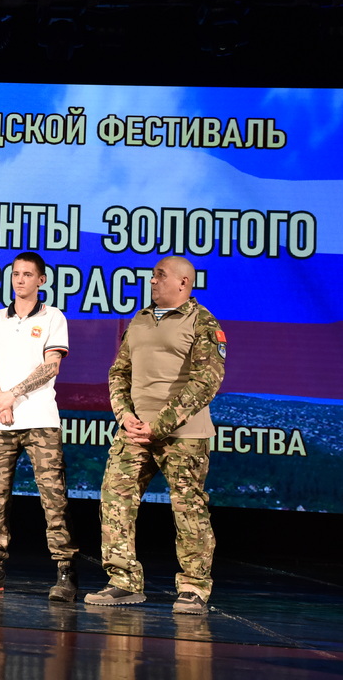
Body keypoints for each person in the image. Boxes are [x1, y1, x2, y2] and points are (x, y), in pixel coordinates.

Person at [85, 255, 226, 615]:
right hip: (135, 431)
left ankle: (194, 587)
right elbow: (119, 372)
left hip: (183, 434)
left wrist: (160, 424)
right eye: (152, 276)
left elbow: (206, 381)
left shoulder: (203, 321)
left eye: (160, 275)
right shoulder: (140, 319)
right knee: (115, 497)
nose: (152, 281)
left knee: (188, 507)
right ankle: (123, 581)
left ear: (183, 282)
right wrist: (124, 415)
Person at [0, 252, 79, 601]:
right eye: (16, 274)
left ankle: (65, 570)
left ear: (41, 280)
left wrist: (12, 395)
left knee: (53, 499)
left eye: (28, 274)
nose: (20, 280)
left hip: (40, 420)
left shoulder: (53, 317)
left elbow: (52, 365)